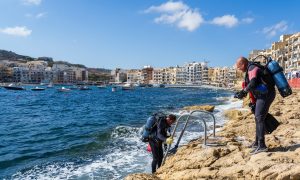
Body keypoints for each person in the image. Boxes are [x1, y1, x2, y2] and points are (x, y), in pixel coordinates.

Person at [235, 57, 276, 154]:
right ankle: (257, 142)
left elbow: (253, 83)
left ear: (243, 64)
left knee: (259, 117)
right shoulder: (251, 67)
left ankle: (262, 146)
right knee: (258, 117)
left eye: (238, 67)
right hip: (263, 94)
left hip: (266, 95)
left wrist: (243, 92)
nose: (239, 69)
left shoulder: (252, 68)